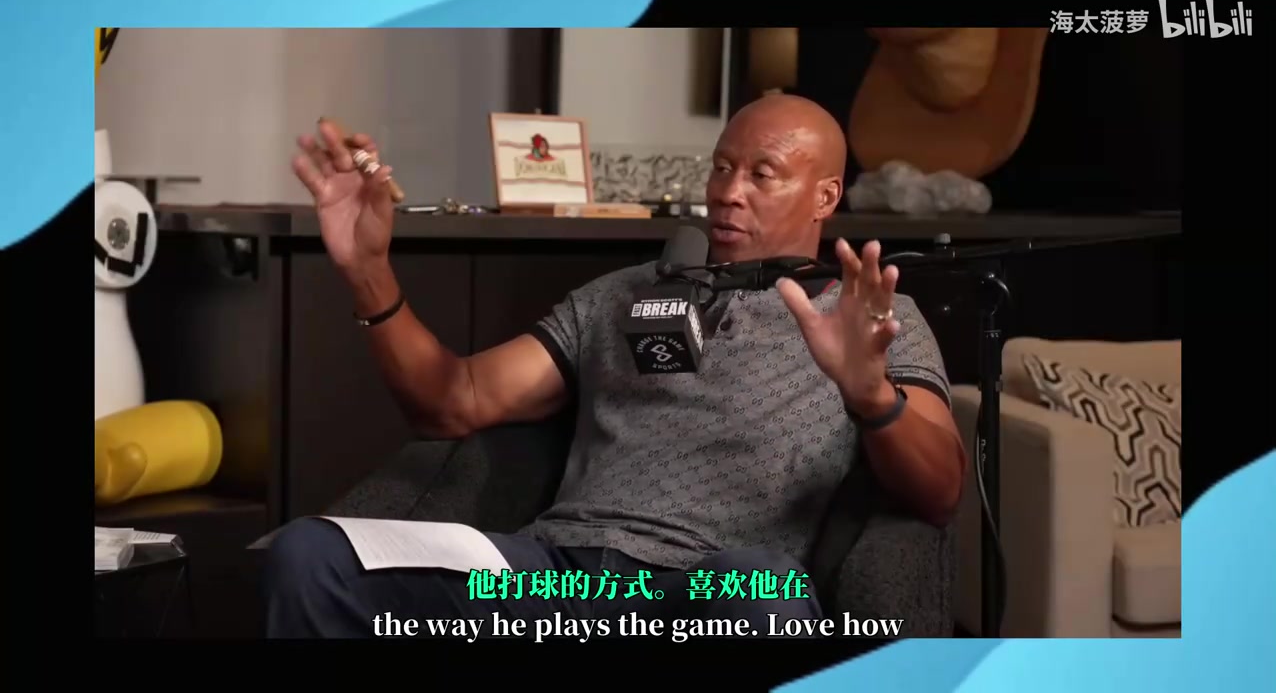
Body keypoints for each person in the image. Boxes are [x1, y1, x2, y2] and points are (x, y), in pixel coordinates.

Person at [265, 94, 966, 638]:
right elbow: (451, 400)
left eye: (763, 175)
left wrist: (871, 396)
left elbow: (940, 493)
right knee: (312, 555)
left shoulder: (871, 316)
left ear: (825, 196)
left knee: (764, 597)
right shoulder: (622, 294)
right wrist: (369, 272)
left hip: (710, 585)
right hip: (559, 580)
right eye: (722, 167)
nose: (729, 192)